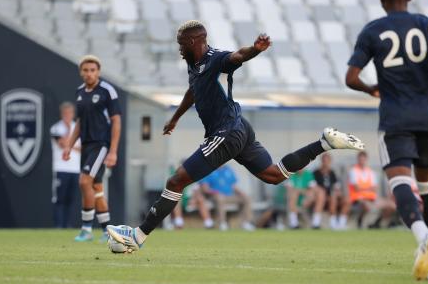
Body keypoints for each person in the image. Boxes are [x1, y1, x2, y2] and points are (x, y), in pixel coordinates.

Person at [107, 20, 364, 251]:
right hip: (240, 127)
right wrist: (175, 118)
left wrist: (255, 49)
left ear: (195, 41)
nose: (179, 49)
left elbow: (237, 56)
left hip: (226, 132)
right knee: (273, 175)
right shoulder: (194, 65)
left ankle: (137, 236)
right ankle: (324, 143)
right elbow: (193, 91)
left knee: (176, 181)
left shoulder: (214, 57)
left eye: (182, 44)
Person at [345, 0, 428, 280]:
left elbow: (351, 78)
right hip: (427, 119)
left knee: (399, 182)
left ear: (382, 0)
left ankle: (423, 235)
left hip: (396, 119)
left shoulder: (373, 30)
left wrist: (370, 89)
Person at [63, 55, 121, 242]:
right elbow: (79, 122)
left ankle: (86, 229)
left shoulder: (107, 91)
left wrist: (112, 151)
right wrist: (69, 146)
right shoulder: (80, 92)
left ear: (98, 72)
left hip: (101, 145)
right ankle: (107, 231)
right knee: (96, 188)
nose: (89, 74)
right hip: (86, 145)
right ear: (81, 72)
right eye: (85, 70)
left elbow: (116, 120)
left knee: (83, 181)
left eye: (92, 70)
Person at [50, 102, 81, 228]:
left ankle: (68, 225)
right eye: (66, 113)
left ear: (73, 114)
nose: (68, 115)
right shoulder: (56, 128)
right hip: (61, 168)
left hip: (75, 169)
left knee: (71, 199)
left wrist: (70, 144)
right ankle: (59, 225)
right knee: (60, 199)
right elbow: (63, 144)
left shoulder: (78, 128)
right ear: (62, 114)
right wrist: (69, 131)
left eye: (70, 113)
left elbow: (82, 148)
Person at [198, 165, 254, 231]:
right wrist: (216, 192)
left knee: (246, 198)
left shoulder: (228, 169)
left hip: (229, 196)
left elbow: (233, 186)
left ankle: (246, 223)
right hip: (214, 197)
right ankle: (222, 223)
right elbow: (205, 189)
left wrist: (242, 193)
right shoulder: (207, 170)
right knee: (220, 198)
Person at [348, 151, 395, 229]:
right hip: (358, 199)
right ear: (358, 159)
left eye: (363, 159)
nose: (362, 161)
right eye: (360, 159)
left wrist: (363, 188)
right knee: (366, 206)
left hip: (371, 198)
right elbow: (356, 188)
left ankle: (377, 222)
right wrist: (368, 188)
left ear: (366, 160)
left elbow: (374, 188)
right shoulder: (353, 171)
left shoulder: (371, 172)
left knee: (392, 206)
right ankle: (360, 221)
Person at [310, 153, 349, 230]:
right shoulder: (315, 173)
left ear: (330, 162)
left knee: (345, 200)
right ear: (321, 161)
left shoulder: (332, 173)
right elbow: (313, 186)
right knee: (322, 195)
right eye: (324, 161)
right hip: (319, 197)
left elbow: (336, 186)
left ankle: (340, 223)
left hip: (331, 196)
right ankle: (317, 223)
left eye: (327, 161)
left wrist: (338, 193)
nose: (326, 163)